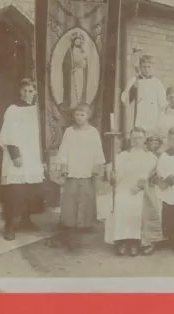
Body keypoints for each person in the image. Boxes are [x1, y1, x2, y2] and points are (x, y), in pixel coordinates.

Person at [0, 78, 46, 241]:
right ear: (19, 91)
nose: (27, 93)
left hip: (32, 155)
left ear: (35, 92)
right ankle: (10, 226)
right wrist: (15, 154)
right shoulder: (13, 109)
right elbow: (8, 133)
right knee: (15, 191)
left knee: (29, 190)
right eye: (24, 90)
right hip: (17, 155)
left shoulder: (36, 110)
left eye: (30, 90)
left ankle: (26, 220)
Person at [56, 102, 106, 251]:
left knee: (86, 195)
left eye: (82, 115)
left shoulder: (93, 132)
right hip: (73, 166)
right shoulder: (69, 132)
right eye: (77, 115)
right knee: (71, 195)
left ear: (88, 116)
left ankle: (85, 223)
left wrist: (97, 166)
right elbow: (64, 149)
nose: (79, 118)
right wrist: (64, 166)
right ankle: (69, 222)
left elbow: (97, 150)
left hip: (87, 167)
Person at [104, 127, 158, 257]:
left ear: (144, 139)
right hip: (124, 186)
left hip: (142, 189)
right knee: (121, 201)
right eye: (134, 137)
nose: (137, 140)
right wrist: (113, 177)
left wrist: (140, 187)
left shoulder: (150, 157)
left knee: (138, 204)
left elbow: (152, 177)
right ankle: (121, 240)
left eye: (140, 137)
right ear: (130, 139)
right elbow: (116, 175)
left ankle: (134, 241)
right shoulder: (122, 156)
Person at [121, 55, 167, 137]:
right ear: (140, 67)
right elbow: (124, 99)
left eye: (149, 67)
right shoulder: (134, 80)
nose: (146, 69)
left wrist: (160, 122)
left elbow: (162, 103)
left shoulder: (157, 83)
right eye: (144, 67)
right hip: (139, 117)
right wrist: (133, 90)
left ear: (153, 67)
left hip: (153, 117)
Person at [62, 32, 89, 111]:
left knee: (80, 87)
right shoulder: (70, 51)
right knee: (73, 88)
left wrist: (83, 63)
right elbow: (66, 62)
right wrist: (71, 67)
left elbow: (85, 63)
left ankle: (79, 103)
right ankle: (73, 104)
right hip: (72, 73)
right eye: (76, 41)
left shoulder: (82, 51)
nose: (78, 42)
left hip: (80, 72)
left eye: (79, 41)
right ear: (73, 41)